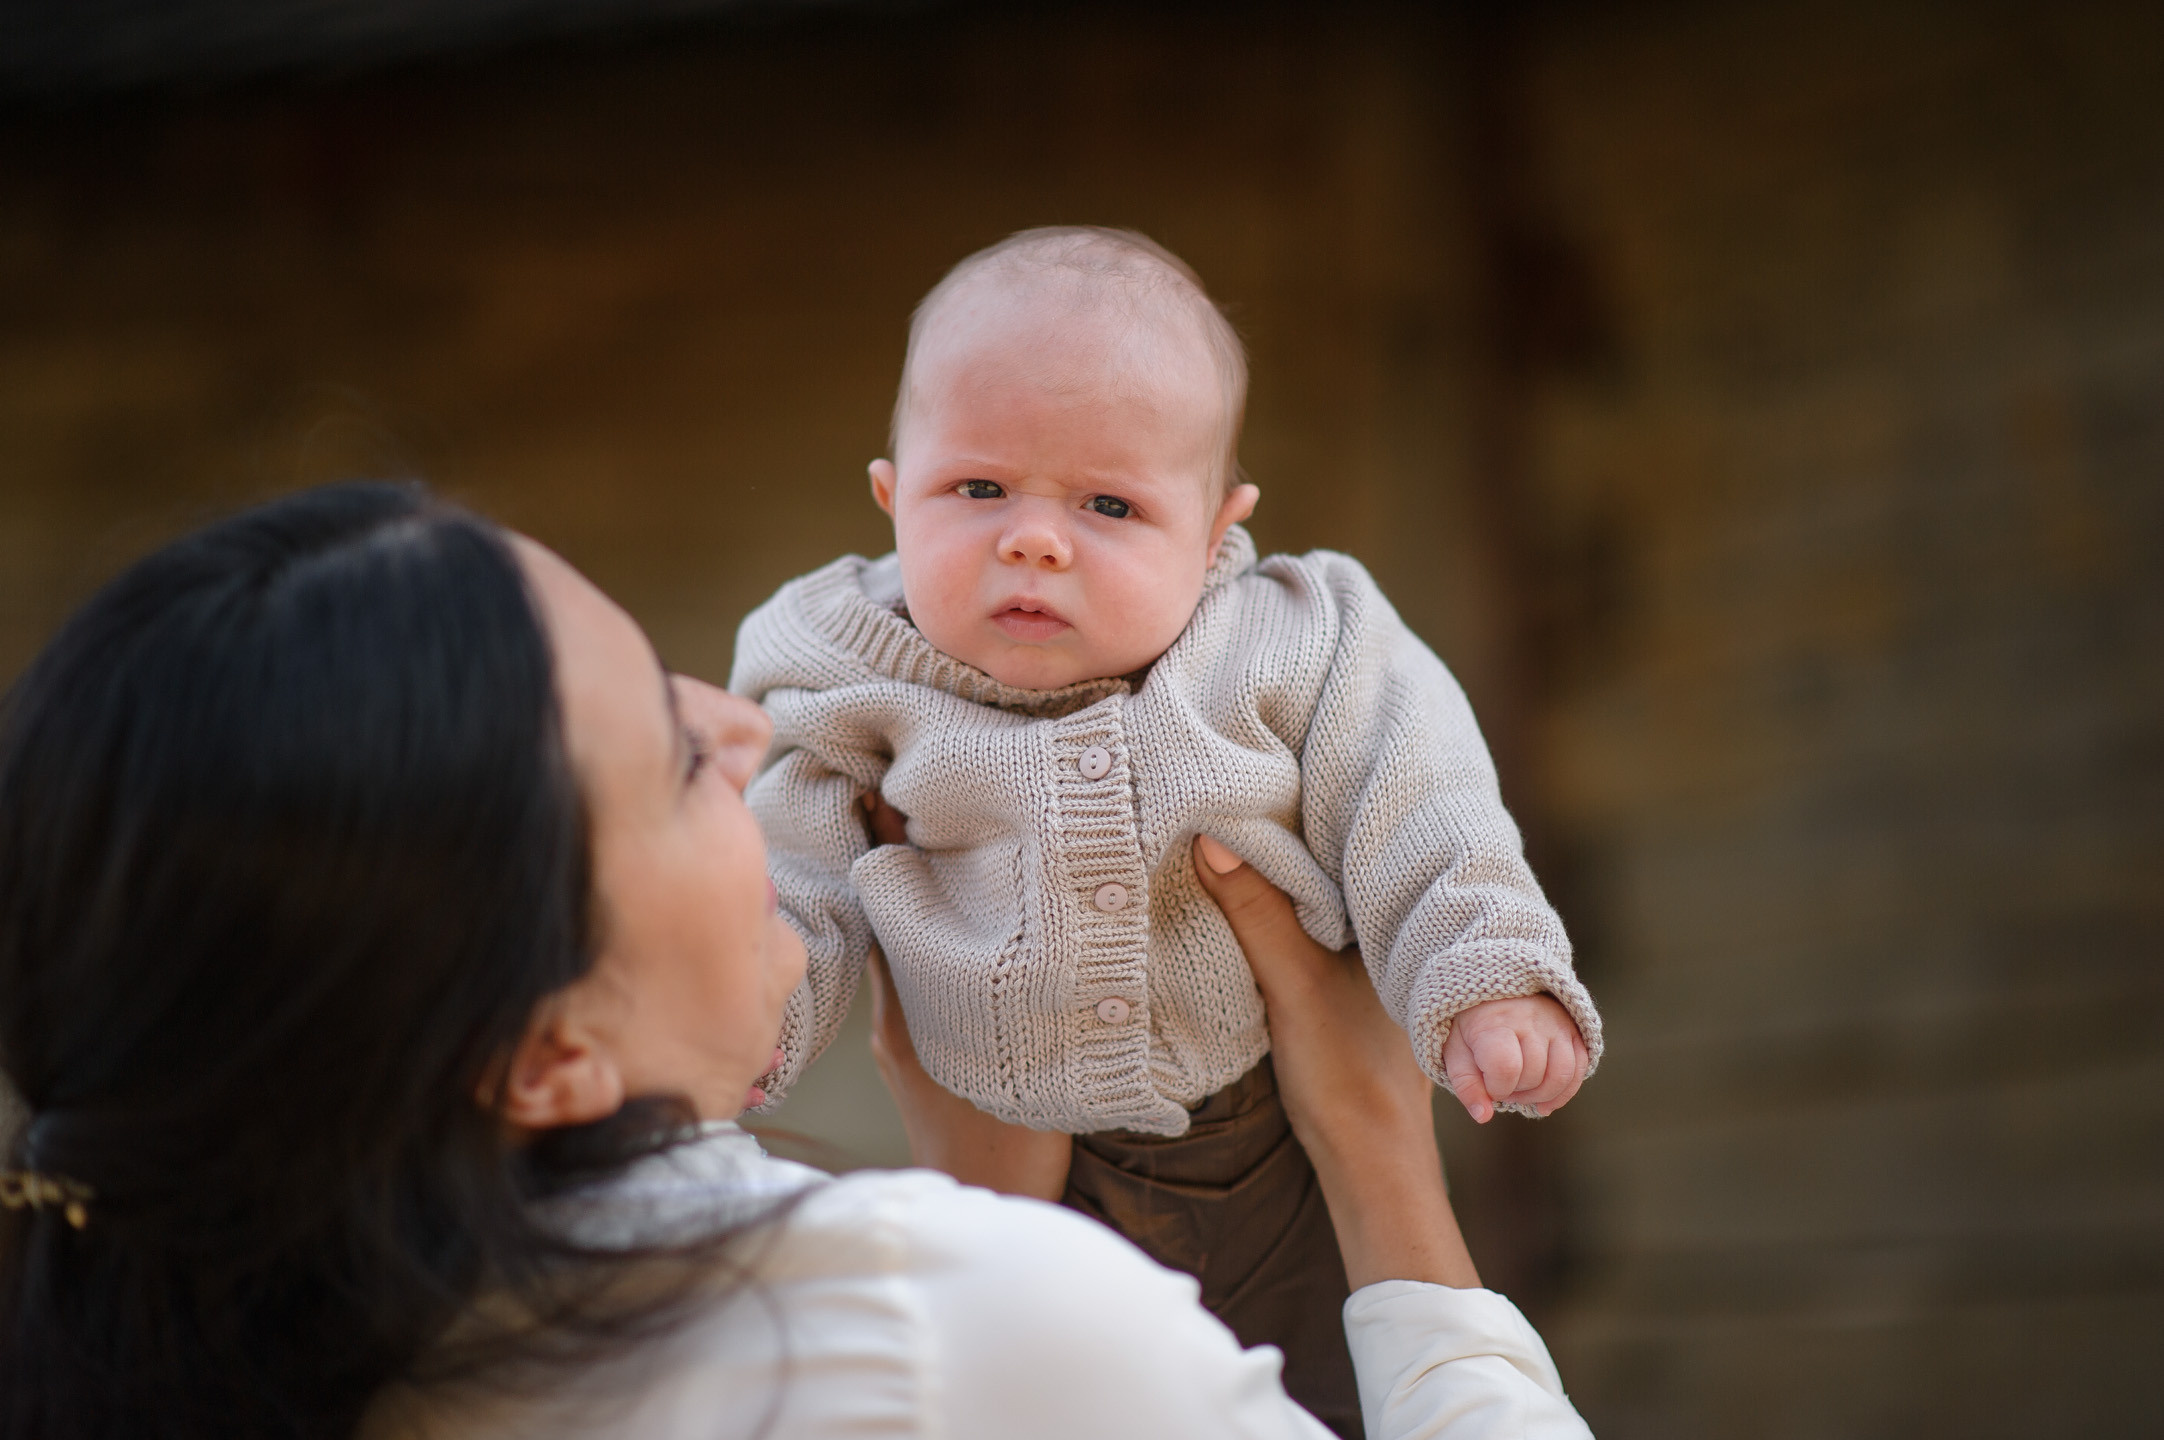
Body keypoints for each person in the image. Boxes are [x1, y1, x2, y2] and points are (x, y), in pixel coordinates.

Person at [0, 483, 1590, 1439]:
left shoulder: (254, 1336)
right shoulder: (919, 1321)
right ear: (544, 1056)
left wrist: (984, 1203)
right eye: (673, 757)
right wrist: (1386, 1175)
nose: (746, 717)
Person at [730, 226, 1601, 1431]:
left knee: (1330, 1397)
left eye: (1109, 504)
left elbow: (1426, 803)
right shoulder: (836, 663)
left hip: (1276, 1148)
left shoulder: (1301, 636)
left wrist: (1487, 973)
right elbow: (785, 871)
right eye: (975, 488)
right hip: (1024, 1166)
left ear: (1215, 528)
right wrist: (741, 1016)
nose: (1033, 537)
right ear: (889, 496)